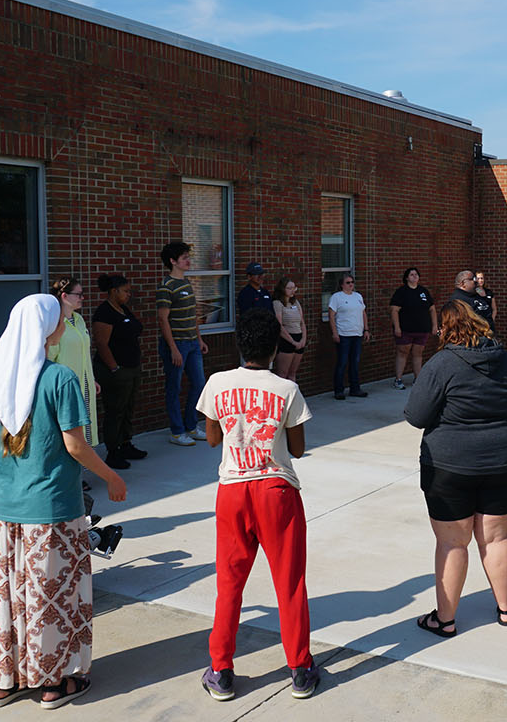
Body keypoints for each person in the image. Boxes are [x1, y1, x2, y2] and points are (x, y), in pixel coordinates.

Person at [0, 294, 127, 710]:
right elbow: (75, 445)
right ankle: (54, 683)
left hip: (6, 509)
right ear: (46, 329)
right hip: (55, 509)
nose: (65, 323)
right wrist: (111, 476)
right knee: (52, 599)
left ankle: (5, 682)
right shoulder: (58, 378)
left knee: (9, 598)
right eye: (61, 318)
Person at [196, 308, 319, 702]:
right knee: (290, 582)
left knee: (229, 584)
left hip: (232, 489)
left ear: (240, 344)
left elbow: (213, 439)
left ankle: (221, 670)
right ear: (273, 348)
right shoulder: (287, 389)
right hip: (276, 490)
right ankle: (300, 669)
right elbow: (297, 449)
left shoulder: (217, 382)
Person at [404, 300, 507, 636]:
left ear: (446, 329)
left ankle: (445, 620)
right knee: (496, 537)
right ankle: (505, 609)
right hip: (500, 459)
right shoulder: (504, 360)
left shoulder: (441, 363)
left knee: (452, 544)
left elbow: (416, 415)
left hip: (449, 464)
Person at [47, 276, 104, 461]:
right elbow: (49, 357)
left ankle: (80, 472)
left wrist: (91, 378)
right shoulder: (55, 323)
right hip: (65, 388)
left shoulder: (79, 320)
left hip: (84, 385)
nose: (82, 298)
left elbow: (83, 352)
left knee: (84, 431)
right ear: (64, 296)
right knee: (69, 431)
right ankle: (70, 477)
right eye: (78, 294)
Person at [93, 274, 147, 466]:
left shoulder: (123, 309)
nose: (128, 294)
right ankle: (113, 450)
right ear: (114, 291)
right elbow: (101, 343)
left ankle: (126, 443)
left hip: (131, 367)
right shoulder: (104, 312)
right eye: (125, 291)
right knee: (115, 410)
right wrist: (114, 367)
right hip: (115, 371)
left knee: (128, 407)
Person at [158, 241, 209, 446]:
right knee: (174, 387)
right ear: (172, 261)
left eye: (188, 256)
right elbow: (163, 320)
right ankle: (177, 432)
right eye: (184, 258)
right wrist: (173, 349)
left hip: (192, 343)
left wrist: (199, 339)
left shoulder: (187, 283)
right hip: (177, 344)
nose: (188, 260)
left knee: (199, 384)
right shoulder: (166, 287)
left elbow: (192, 316)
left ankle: (191, 425)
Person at [389, 267, 438, 390]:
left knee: (418, 354)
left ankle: (418, 378)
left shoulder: (423, 291)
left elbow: (432, 309)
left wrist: (434, 325)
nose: (414, 276)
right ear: (406, 277)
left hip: (422, 329)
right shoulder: (401, 291)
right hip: (405, 329)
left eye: (416, 274)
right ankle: (398, 379)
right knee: (403, 353)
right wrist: (397, 327)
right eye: (411, 274)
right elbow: (394, 310)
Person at [328, 273, 369, 399]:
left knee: (355, 362)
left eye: (352, 282)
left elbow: (363, 313)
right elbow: (331, 316)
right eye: (348, 282)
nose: (351, 284)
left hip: (357, 334)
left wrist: (366, 329)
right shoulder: (337, 297)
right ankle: (339, 390)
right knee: (342, 362)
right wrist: (335, 333)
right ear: (342, 284)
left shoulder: (358, 296)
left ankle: (355, 388)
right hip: (344, 334)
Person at [272, 277, 308, 381]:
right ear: (282, 289)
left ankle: (293, 396)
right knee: (283, 374)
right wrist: (292, 342)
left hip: (299, 337)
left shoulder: (295, 302)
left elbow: (302, 322)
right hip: (287, 339)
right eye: (289, 288)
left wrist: (303, 340)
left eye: (294, 288)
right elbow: (279, 325)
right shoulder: (277, 303)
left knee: (292, 373)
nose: (292, 290)